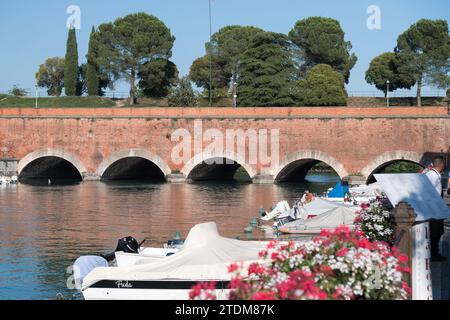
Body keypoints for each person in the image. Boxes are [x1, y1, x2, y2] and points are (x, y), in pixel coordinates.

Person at [424, 156, 446, 262]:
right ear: (441, 165)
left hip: (436, 207)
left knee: (438, 231)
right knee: (435, 231)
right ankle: (433, 254)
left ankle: (435, 252)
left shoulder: (434, 174)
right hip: (433, 208)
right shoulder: (432, 175)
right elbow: (427, 191)